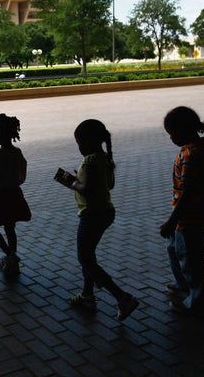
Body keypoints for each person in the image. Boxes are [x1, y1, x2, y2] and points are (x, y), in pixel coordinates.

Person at [65, 119, 139, 321]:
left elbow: (86, 190)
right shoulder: (105, 159)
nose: (79, 148)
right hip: (106, 212)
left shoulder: (89, 161)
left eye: (79, 143)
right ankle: (87, 295)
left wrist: (72, 182)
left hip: (91, 215)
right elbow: (108, 185)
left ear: (87, 141)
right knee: (89, 256)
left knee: (85, 258)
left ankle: (122, 297)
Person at [159, 106, 204, 319]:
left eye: (172, 133)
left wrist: (171, 221)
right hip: (190, 215)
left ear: (183, 130)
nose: (171, 138)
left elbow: (188, 191)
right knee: (176, 249)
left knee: (192, 260)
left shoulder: (192, 154)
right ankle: (185, 289)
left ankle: (198, 303)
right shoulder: (201, 148)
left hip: (190, 217)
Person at [0, 114, 31, 276]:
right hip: (15, 194)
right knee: (10, 228)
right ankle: (13, 258)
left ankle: (10, 255)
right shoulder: (17, 153)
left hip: (0, 196)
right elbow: (21, 175)